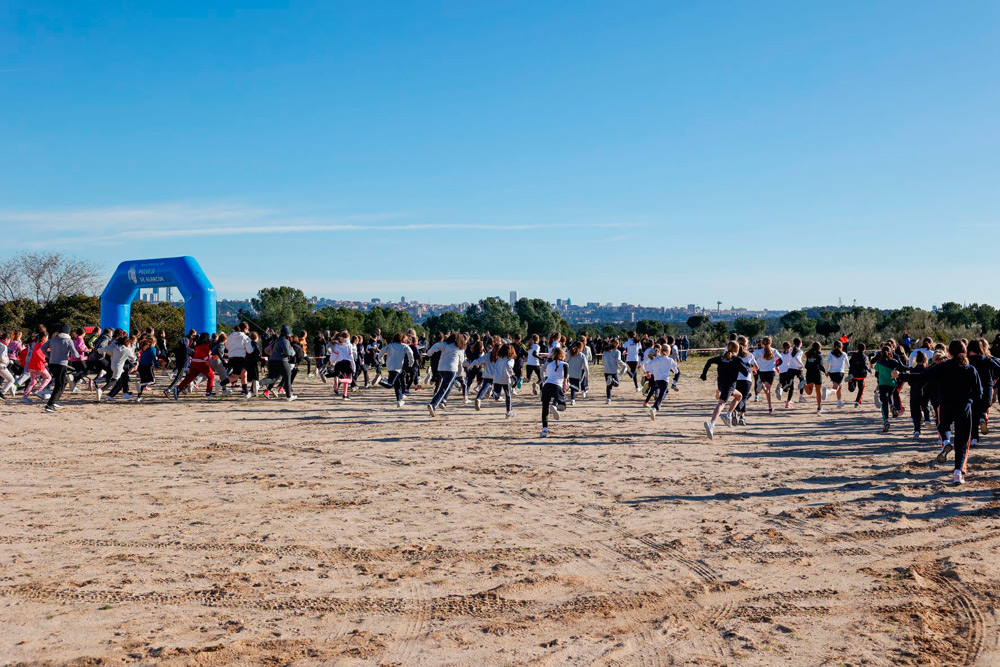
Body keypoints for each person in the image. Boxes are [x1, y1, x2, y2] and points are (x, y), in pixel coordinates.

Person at [894, 340, 981, 484]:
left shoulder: (942, 367)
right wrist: (969, 400)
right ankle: (958, 473)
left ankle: (946, 441)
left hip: (946, 404)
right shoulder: (970, 369)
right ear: (965, 352)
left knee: (944, 426)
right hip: (964, 408)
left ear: (949, 353)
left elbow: (921, 376)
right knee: (962, 442)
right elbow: (979, 393)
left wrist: (901, 375)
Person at [700, 341, 752, 439]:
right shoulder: (736, 360)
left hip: (721, 384)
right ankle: (711, 423)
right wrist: (747, 366)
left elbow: (709, 361)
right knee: (721, 404)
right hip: (730, 386)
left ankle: (728, 415)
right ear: (737, 350)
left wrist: (704, 374)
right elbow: (745, 373)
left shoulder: (721, 358)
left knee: (739, 396)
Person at [425, 333, 467, 417]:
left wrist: (429, 353)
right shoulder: (459, 348)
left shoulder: (445, 344)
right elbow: (462, 361)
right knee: (444, 387)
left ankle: (443, 400)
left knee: (449, 384)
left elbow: (436, 345)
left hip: (441, 368)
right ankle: (434, 404)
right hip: (451, 369)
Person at [42, 324, 78, 412]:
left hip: (52, 363)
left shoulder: (53, 339)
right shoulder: (68, 340)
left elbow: (43, 348)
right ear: (68, 332)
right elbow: (75, 354)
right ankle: (49, 405)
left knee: (64, 381)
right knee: (59, 385)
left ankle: (56, 400)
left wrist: (49, 355)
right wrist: (78, 355)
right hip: (61, 364)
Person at [873, 345, 906, 432]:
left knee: (884, 402)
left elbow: (876, 372)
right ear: (891, 353)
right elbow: (902, 368)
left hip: (882, 384)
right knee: (890, 396)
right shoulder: (894, 361)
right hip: (892, 384)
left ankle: (886, 421)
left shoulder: (878, 363)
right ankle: (892, 407)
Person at [172, 333, 216, 399]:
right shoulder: (205, 345)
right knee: (211, 376)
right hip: (201, 364)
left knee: (189, 378)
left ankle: (178, 389)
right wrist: (213, 357)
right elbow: (205, 356)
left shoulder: (198, 345)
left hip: (194, 363)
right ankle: (208, 393)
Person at [643, 343, 679, 421]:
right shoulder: (670, 360)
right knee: (662, 394)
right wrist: (671, 368)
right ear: (669, 352)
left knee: (665, 392)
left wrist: (647, 371)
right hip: (665, 380)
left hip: (657, 379)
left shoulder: (657, 359)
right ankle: (655, 408)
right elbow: (676, 371)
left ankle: (658, 404)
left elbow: (647, 365)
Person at [378, 332, 414, 407]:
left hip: (390, 366)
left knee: (397, 384)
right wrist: (411, 363)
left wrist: (381, 361)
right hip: (397, 367)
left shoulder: (390, 345)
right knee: (390, 384)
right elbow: (411, 354)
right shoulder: (404, 346)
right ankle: (381, 380)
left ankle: (399, 400)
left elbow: (381, 352)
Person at [539, 346, 569, 438]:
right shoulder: (565, 364)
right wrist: (565, 386)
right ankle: (555, 406)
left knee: (544, 409)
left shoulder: (549, 364)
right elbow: (565, 378)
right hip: (557, 386)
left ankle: (544, 429)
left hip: (547, 386)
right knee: (563, 405)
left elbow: (548, 376)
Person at [99, 335, 138, 402]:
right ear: (127, 343)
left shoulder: (114, 347)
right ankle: (101, 390)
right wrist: (132, 352)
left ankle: (111, 395)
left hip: (112, 365)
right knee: (114, 381)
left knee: (122, 380)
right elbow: (134, 358)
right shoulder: (127, 350)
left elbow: (103, 349)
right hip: (119, 367)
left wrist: (99, 350)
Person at [752, 336, 780, 414]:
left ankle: (762, 386)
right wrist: (776, 365)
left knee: (767, 390)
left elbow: (751, 358)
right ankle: (770, 407)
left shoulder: (759, 351)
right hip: (771, 371)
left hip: (762, 371)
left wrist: (754, 366)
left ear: (762, 343)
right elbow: (780, 360)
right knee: (768, 390)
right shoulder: (774, 351)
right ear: (771, 342)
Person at [803, 341, 827, 414]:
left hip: (809, 374)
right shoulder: (819, 356)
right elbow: (820, 366)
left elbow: (806, 366)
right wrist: (826, 372)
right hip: (817, 374)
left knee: (809, 392)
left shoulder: (809, 355)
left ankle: (804, 385)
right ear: (819, 348)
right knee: (818, 391)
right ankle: (819, 407)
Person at [602, 338, 627, 405]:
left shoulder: (605, 351)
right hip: (613, 370)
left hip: (606, 370)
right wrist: (624, 365)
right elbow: (618, 360)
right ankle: (612, 380)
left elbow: (603, 360)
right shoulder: (617, 351)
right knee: (617, 384)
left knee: (608, 386)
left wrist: (604, 366)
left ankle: (608, 399)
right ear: (617, 344)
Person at [826, 340, 850, 409]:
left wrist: (826, 371)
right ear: (841, 347)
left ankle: (839, 402)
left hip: (832, 373)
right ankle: (828, 392)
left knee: (840, 386)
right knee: (835, 388)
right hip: (839, 373)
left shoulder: (830, 354)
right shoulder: (844, 354)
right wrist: (849, 371)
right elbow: (848, 365)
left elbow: (827, 363)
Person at [848, 343, 872, 408]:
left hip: (853, 373)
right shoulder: (864, 356)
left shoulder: (854, 355)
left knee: (852, 389)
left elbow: (850, 362)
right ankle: (857, 402)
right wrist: (869, 369)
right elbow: (864, 364)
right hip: (861, 374)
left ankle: (851, 383)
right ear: (864, 349)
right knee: (861, 389)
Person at [566, 341, 590, 406]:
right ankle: (571, 391)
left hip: (570, 373)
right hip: (577, 373)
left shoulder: (569, 353)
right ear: (581, 348)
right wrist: (587, 374)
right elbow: (585, 366)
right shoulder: (582, 355)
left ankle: (572, 399)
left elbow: (566, 361)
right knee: (576, 388)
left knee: (573, 388)